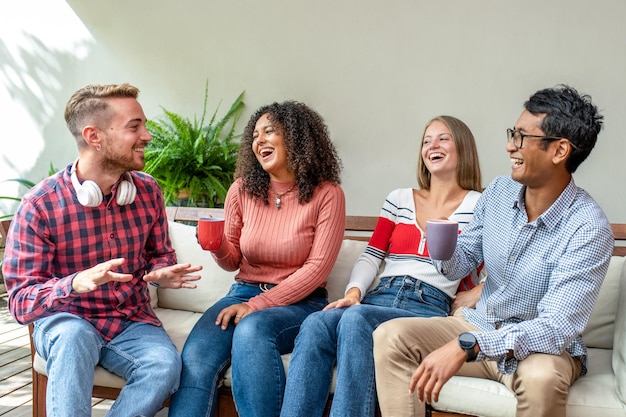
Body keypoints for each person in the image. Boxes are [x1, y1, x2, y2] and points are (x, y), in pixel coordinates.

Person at [373, 85, 614, 417]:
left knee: (543, 377)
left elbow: (556, 327)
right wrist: (442, 244)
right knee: (391, 336)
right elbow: (462, 264)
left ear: (559, 151)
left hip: (540, 349)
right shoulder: (500, 192)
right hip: (479, 325)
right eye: (511, 134)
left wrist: (468, 347)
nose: (509, 146)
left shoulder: (588, 227)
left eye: (520, 137)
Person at [3, 83, 203, 417]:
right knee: (74, 337)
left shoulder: (148, 191)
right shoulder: (40, 205)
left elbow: (160, 254)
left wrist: (161, 272)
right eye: (134, 126)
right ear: (94, 136)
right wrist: (73, 282)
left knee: (164, 367)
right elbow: (20, 304)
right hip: (68, 320)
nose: (147, 136)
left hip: (131, 320)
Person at [280, 115, 484, 417]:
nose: (432, 146)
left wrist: (479, 292)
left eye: (443, 139)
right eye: (426, 141)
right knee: (315, 325)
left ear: (463, 148)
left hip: (427, 306)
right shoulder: (399, 199)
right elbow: (372, 255)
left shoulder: (480, 204)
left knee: (356, 320)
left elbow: (504, 264)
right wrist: (353, 293)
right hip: (379, 297)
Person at [168, 101, 346, 417]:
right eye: (255, 134)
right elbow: (233, 258)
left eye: (269, 132)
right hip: (243, 292)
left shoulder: (327, 194)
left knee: (252, 329)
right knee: (197, 355)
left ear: (295, 138)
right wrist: (215, 245)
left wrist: (257, 306)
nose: (258, 140)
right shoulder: (242, 190)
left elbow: (317, 270)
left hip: (301, 303)